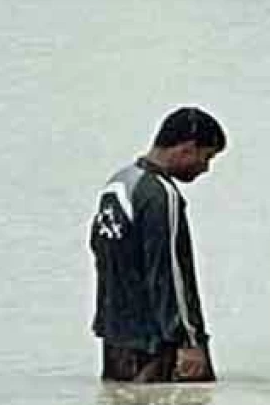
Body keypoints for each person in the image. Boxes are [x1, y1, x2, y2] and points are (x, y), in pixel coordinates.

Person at [89, 107, 226, 383]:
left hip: (116, 340)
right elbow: (169, 274)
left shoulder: (118, 184)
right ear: (187, 148)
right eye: (206, 156)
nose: (205, 167)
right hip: (156, 344)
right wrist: (188, 341)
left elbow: (99, 250)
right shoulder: (162, 196)